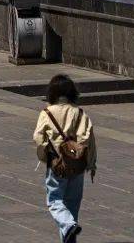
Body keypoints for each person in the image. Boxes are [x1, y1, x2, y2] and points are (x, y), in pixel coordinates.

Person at [32, 74, 97, 242]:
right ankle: (70, 231)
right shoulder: (79, 113)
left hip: (57, 165)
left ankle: (68, 226)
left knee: (55, 201)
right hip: (77, 165)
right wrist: (90, 163)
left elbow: (38, 138)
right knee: (72, 206)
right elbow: (88, 139)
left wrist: (47, 157)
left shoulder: (47, 112)